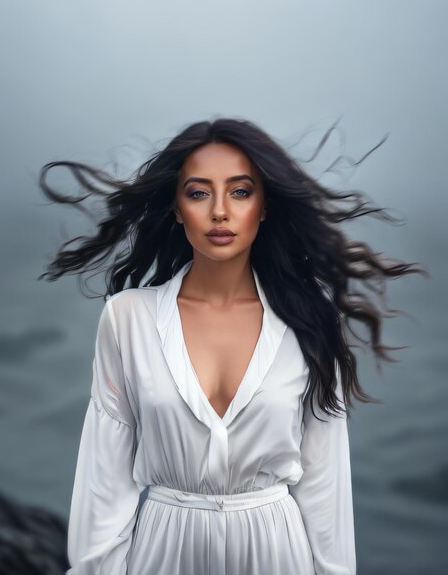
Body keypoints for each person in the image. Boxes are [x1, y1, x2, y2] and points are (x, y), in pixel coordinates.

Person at [38, 118, 425, 574]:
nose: (220, 211)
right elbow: (106, 481)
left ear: (264, 206)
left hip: (277, 552)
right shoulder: (128, 318)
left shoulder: (311, 323)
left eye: (240, 191)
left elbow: (325, 487)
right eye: (199, 193)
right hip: (164, 550)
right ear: (177, 208)